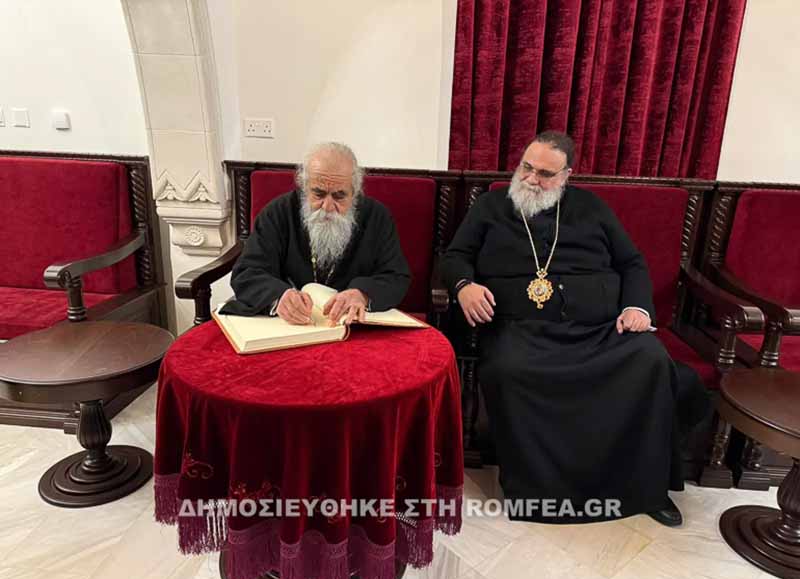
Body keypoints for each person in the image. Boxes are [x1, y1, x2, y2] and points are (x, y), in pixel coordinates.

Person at [441, 131, 708, 526]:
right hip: (521, 329)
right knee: (507, 369)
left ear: (567, 175)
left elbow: (631, 262)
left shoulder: (591, 207)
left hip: (596, 329)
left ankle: (645, 489)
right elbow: (454, 256)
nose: (531, 179)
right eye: (526, 167)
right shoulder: (491, 206)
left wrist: (636, 307)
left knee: (649, 358)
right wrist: (464, 286)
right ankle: (538, 496)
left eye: (545, 174)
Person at [221, 142, 410, 324]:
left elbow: (396, 277)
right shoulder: (278, 213)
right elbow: (247, 272)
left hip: (351, 328)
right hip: (288, 328)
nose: (327, 207)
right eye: (319, 194)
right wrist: (279, 297)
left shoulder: (376, 217)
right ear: (305, 188)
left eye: (339, 196)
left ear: (354, 192)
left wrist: (363, 294)